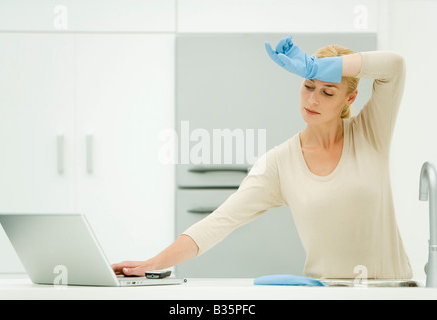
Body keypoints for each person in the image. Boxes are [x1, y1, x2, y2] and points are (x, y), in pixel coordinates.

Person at [112, 35, 412, 280]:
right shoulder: (280, 163)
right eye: (308, 86)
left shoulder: (370, 133)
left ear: (350, 98)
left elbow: (394, 66)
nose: (312, 100)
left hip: (392, 291)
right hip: (327, 292)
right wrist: (152, 263)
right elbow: (219, 222)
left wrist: (321, 66)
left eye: (327, 92)